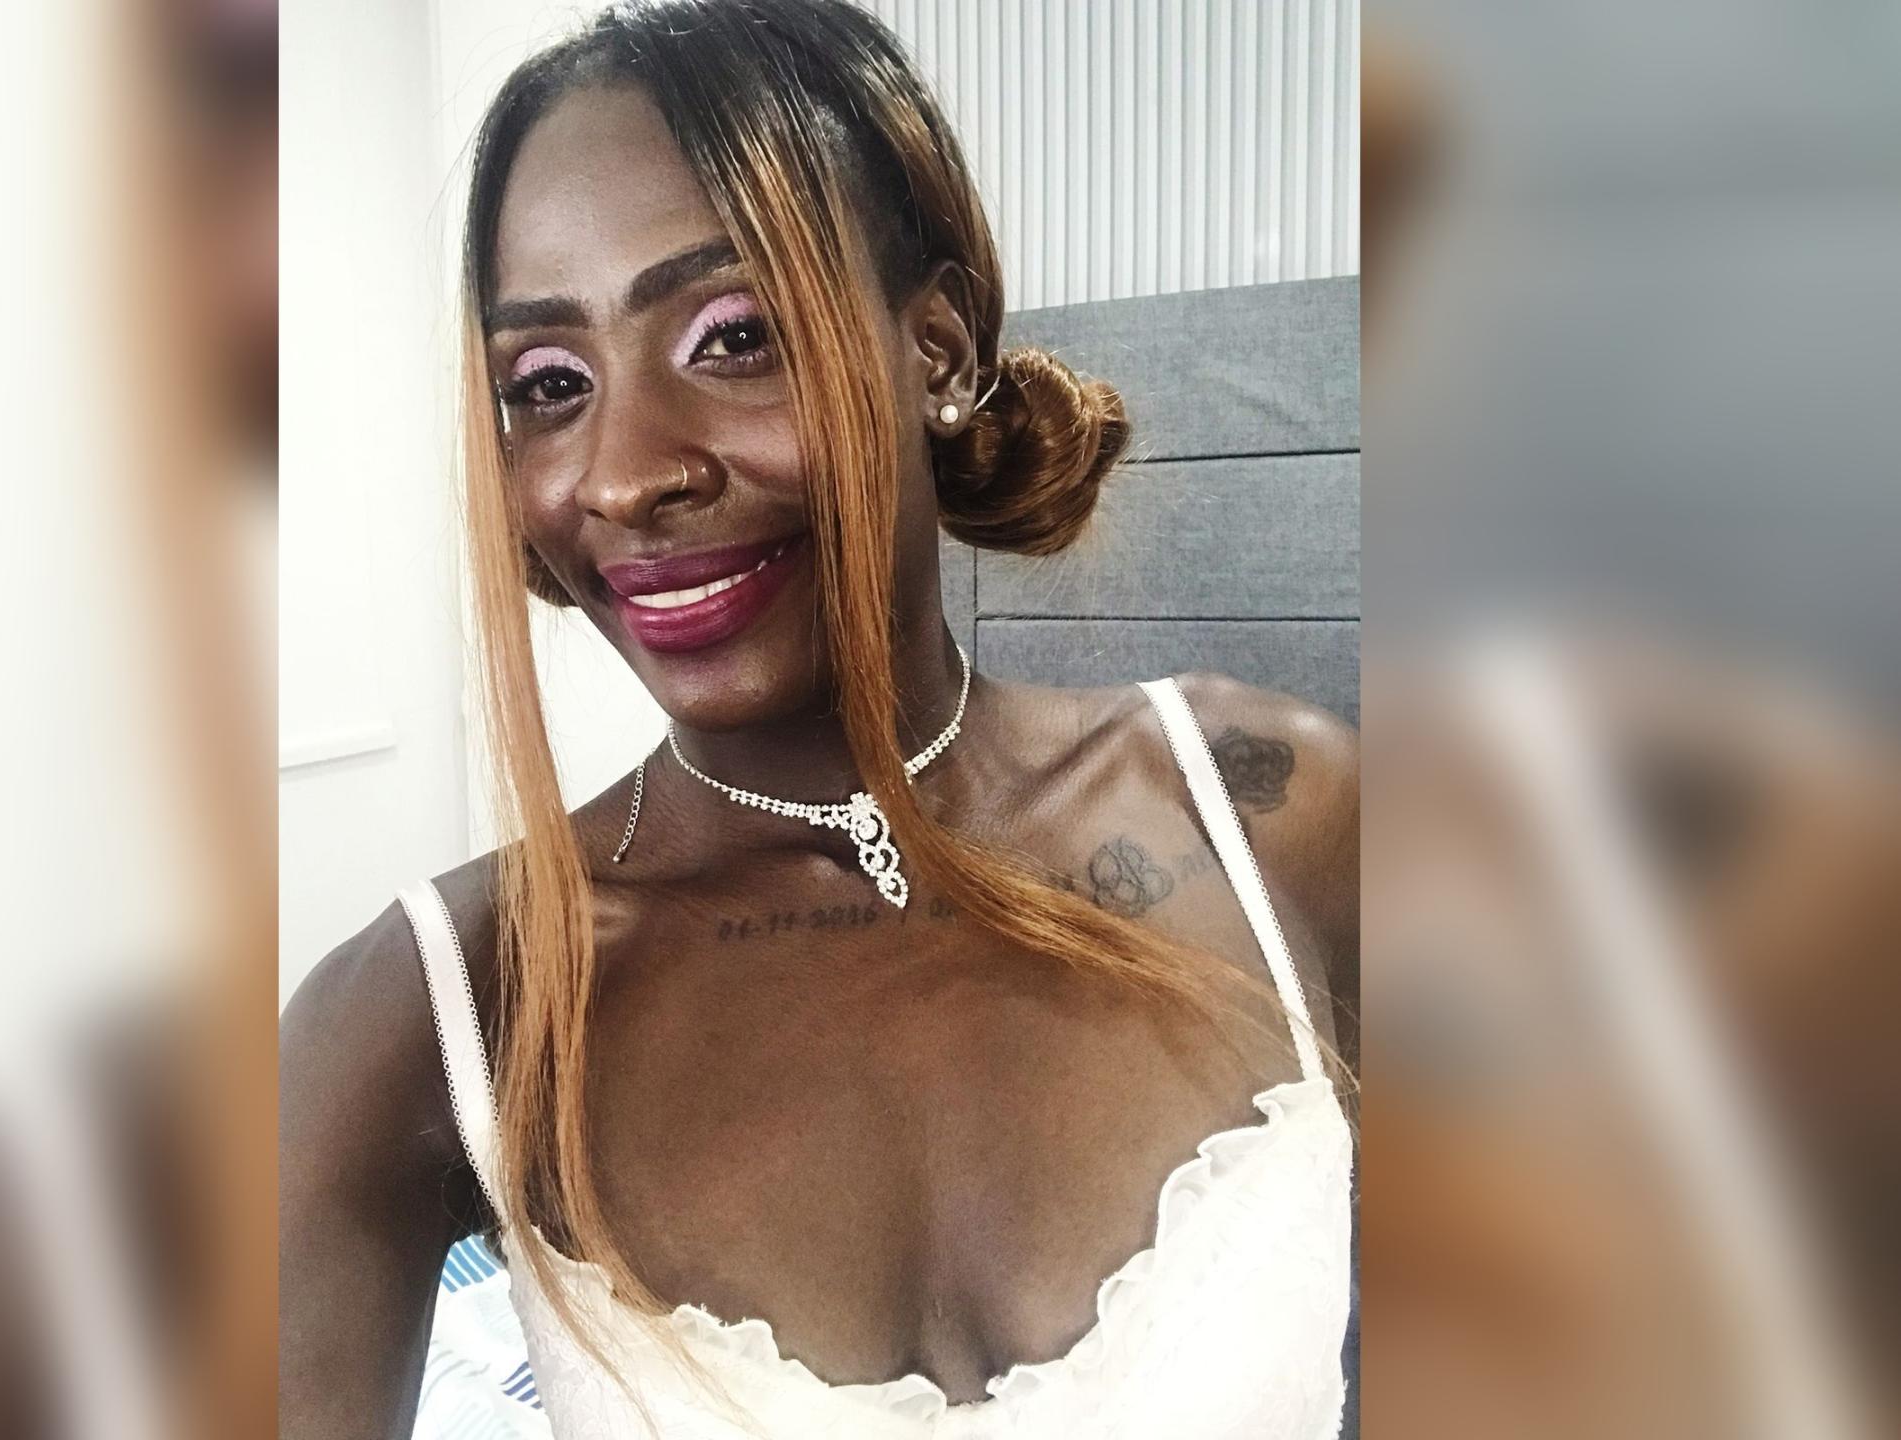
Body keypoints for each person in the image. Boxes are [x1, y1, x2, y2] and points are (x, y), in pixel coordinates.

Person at [279, 2, 1357, 1435]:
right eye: (548, 386)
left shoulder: (1273, 810)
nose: (622, 476)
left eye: (732, 337)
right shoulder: (433, 1009)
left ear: (938, 351)